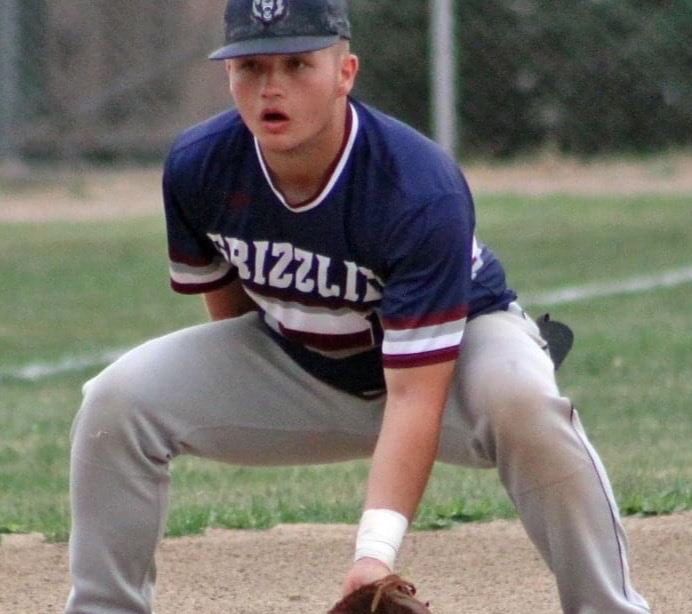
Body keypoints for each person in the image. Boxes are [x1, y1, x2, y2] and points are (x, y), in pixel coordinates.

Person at [65, 1, 651, 612]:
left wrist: (374, 555)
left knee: (522, 400)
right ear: (228, 76)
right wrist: (255, 397)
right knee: (116, 402)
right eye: (251, 66)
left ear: (345, 73)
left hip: (454, 358)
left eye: (297, 64)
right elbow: (234, 318)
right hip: (306, 361)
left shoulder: (416, 186)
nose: (271, 87)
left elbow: (414, 397)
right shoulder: (199, 166)